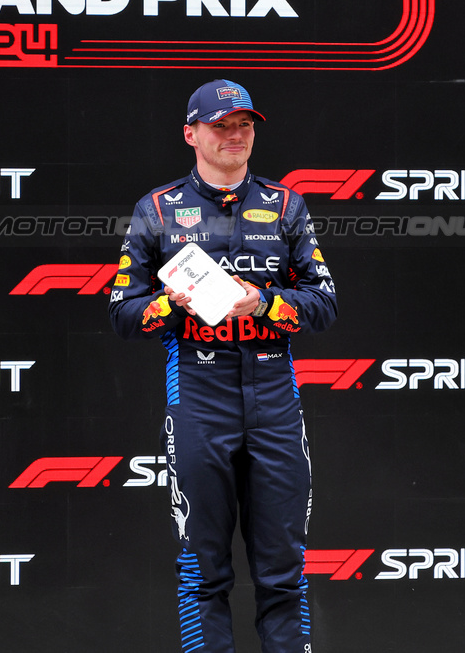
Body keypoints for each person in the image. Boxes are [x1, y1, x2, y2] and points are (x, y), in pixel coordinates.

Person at [109, 80, 338, 652]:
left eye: (244, 125)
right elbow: (120, 311)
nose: (235, 136)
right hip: (198, 399)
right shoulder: (157, 209)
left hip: (274, 402)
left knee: (284, 571)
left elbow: (325, 304)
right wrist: (171, 303)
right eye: (221, 126)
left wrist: (262, 300)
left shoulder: (286, 204)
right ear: (192, 135)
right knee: (203, 570)